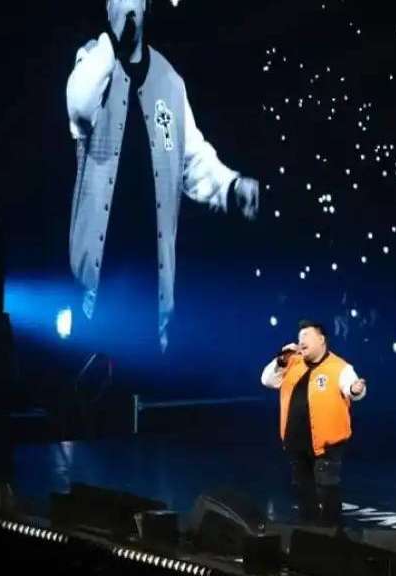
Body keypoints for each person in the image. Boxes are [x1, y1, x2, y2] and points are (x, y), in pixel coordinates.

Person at [66, 0, 261, 356]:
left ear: (147, 7)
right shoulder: (93, 60)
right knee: (91, 397)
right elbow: (78, 108)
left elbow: (193, 156)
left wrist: (231, 186)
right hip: (96, 289)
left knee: (142, 395)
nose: (126, 7)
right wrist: (111, 43)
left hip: (149, 286)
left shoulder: (170, 82)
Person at [260, 320, 367, 527]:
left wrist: (356, 390)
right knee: (303, 493)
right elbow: (266, 380)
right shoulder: (292, 362)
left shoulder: (340, 367)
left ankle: (332, 535)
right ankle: (308, 534)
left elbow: (353, 389)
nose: (301, 341)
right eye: (300, 337)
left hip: (326, 446)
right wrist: (281, 360)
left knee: (327, 492)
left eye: (307, 336)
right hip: (297, 444)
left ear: (321, 339)